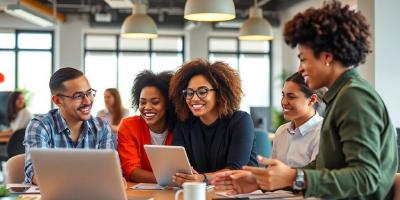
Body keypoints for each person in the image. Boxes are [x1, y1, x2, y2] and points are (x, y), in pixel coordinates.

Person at [211, 1, 398, 199]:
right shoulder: (342, 96)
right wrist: (263, 180)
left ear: (326, 57)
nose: (300, 68)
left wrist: (293, 177)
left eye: (303, 58)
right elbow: (321, 168)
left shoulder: (354, 97)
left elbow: (366, 178)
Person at [169, 59, 258, 186]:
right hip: (200, 194)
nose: (194, 98)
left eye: (202, 91)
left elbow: (235, 170)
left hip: (239, 193)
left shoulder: (240, 121)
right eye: (189, 93)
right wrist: (185, 176)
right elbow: (180, 167)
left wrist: (202, 178)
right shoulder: (184, 126)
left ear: (220, 92)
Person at [24, 67, 117, 185]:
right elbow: (36, 173)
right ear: (58, 101)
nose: (87, 101)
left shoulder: (102, 127)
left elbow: (111, 172)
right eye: (78, 96)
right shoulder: (40, 126)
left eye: (89, 93)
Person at [118, 70, 176, 183]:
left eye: (155, 102)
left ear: (168, 104)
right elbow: (130, 170)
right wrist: (170, 180)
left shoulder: (180, 127)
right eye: (143, 102)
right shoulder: (128, 126)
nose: (147, 107)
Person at [272, 72, 323, 168]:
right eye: (283, 95)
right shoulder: (281, 131)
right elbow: (273, 171)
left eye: (291, 97)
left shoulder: (323, 132)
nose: (283, 102)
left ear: (312, 100)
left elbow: (316, 178)